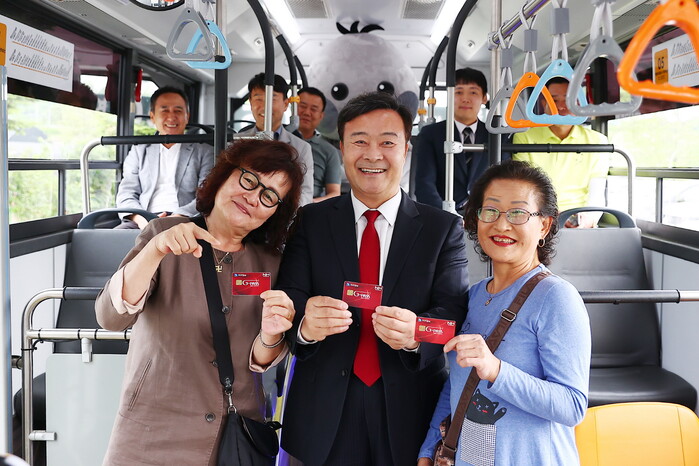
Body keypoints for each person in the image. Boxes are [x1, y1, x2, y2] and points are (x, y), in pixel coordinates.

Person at [277, 92, 470, 466]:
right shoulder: (310, 221)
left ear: (406, 150)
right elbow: (290, 297)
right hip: (323, 409)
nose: (373, 155)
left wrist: (416, 334)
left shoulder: (442, 229)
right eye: (360, 141)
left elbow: (452, 315)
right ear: (342, 149)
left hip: (411, 407)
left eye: (387, 143)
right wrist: (305, 325)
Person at [96, 139, 304, 465]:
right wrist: (155, 251)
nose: (253, 197)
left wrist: (271, 336)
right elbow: (111, 317)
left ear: (275, 212)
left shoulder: (272, 263)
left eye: (269, 196)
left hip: (234, 438)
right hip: (152, 432)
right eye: (249, 179)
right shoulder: (163, 233)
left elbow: (264, 360)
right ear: (223, 175)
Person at [418, 160, 591, 466]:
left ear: (544, 226)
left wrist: (496, 370)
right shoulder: (473, 296)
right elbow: (458, 382)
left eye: (518, 213)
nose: (501, 225)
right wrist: (430, 447)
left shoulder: (556, 297)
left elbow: (572, 406)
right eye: (491, 211)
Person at [513, 77, 610, 228]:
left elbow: (597, 191)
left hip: (580, 218)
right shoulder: (525, 138)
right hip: (538, 218)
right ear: (544, 104)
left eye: (568, 100)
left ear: (578, 104)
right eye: (554, 100)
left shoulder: (597, 141)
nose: (561, 106)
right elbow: (525, 189)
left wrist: (588, 220)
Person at [115, 86, 214, 229]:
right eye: (164, 110)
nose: (171, 117)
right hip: (143, 218)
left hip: (187, 218)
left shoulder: (204, 151)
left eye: (178, 111)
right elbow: (127, 192)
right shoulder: (139, 150)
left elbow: (206, 196)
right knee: (111, 237)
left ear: (187, 116)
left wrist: (177, 217)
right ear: (152, 117)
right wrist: (141, 219)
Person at [414, 68, 507, 211]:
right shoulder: (431, 134)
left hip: (487, 213)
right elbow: (424, 185)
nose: (465, 99)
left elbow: (505, 181)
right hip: (444, 213)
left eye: (473, 92)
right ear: (449, 96)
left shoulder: (497, 135)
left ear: (484, 98)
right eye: (458, 92)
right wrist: (447, 216)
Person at [238, 73, 314, 206]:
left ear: (285, 104)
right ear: (250, 103)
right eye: (258, 99)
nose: (264, 106)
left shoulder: (301, 148)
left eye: (272, 99)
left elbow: (305, 193)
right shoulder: (237, 142)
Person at [292, 87, 342, 202]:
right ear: (292, 107)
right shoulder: (278, 139)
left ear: (321, 116)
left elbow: (334, 193)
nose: (307, 113)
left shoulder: (329, 152)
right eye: (302, 106)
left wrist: (309, 204)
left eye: (314, 109)